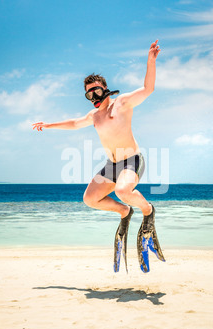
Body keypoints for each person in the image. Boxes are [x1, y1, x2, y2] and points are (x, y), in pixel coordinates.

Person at [32, 40, 165, 273]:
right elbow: (74, 123)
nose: (93, 95)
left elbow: (148, 89)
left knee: (123, 191)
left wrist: (150, 61)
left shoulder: (122, 104)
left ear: (105, 88)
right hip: (112, 165)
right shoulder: (94, 116)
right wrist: (49, 125)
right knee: (90, 199)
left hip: (131, 161)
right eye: (88, 93)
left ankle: (147, 210)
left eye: (95, 90)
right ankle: (125, 211)